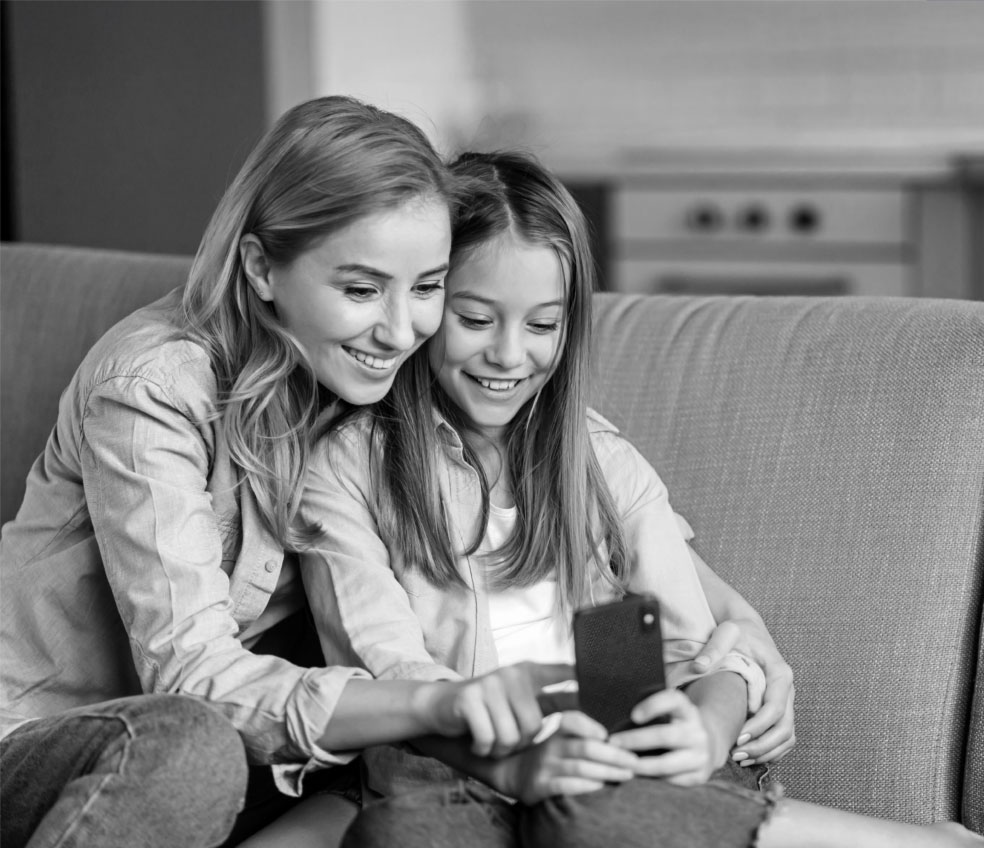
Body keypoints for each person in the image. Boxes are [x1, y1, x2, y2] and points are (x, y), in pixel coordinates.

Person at [284, 150, 982, 848]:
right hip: (451, 770)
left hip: (619, 763)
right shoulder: (351, 467)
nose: (509, 355)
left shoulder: (596, 463)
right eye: (475, 319)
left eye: (542, 326)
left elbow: (692, 649)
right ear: (429, 299)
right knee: (401, 832)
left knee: (589, 816)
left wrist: (706, 728)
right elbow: (394, 678)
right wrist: (520, 763)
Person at [0, 97, 576, 848]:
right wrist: (435, 704)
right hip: (51, 738)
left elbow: (585, 482)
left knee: (386, 782)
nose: (401, 330)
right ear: (261, 267)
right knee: (194, 747)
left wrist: (719, 647)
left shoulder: (385, 382)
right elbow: (193, 678)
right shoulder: (153, 387)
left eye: (427, 287)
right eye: (361, 289)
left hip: (255, 762)